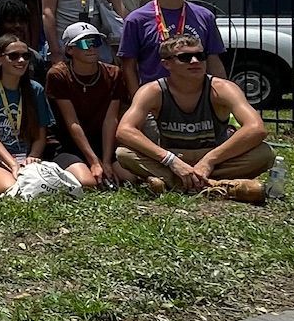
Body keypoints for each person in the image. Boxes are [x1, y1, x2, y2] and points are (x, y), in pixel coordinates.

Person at [115, 32, 275, 200]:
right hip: (173, 157)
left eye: (200, 56)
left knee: (265, 153)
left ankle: (175, 184)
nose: (195, 61)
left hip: (217, 158)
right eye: (185, 57)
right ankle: (219, 186)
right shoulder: (153, 91)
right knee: (123, 154)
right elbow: (124, 131)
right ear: (167, 64)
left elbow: (256, 128)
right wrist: (171, 161)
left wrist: (209, 161)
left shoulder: (222, 88)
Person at [116, 0, 228, 97]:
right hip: (156, 99)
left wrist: (223, 96)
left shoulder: (205, 16)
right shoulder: (137, 20)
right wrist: (138, 101)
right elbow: (128, 67)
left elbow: (213, 61)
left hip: (198, 98)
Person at [46, 21, 127, 189]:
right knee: (87, 182)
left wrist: (105, 160)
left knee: (130, 177)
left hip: (102, 143)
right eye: (84, 43)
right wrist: (94, 161)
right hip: (67, 145)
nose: (91, 48)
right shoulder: (58, 75)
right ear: (69, 50)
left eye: (95, 42)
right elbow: (72, 122)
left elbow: (110, 119)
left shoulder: (113, 73)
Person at [0, 35, 57, 194]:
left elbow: (41, 135)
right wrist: (13, 164)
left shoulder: (35, 89)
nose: (21, 60)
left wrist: (33, 156)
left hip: (26, 156)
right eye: (13, 56)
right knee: (11, 188)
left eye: (26, 56)